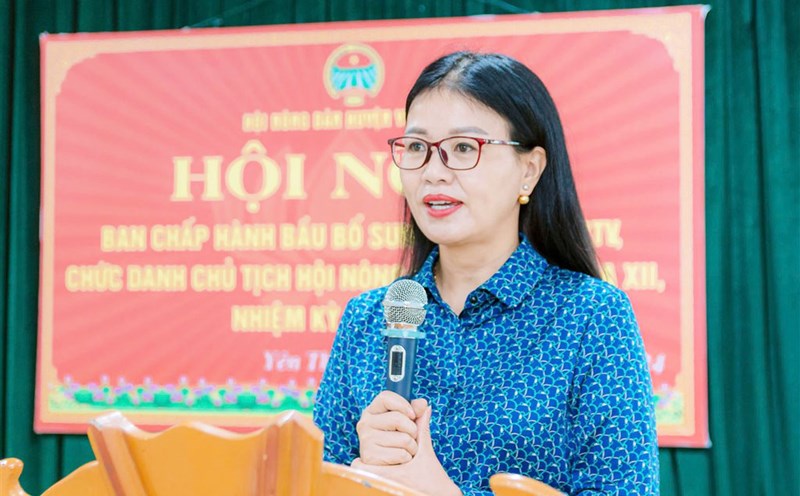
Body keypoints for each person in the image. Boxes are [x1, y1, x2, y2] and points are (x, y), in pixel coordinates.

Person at [313, 51, 659, 496]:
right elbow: (316, 481)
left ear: (529, 171)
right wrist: (361, 473)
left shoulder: (590, 316)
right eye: (417, 148)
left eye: (463, 148)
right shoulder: (368, 319)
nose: (433, 173)